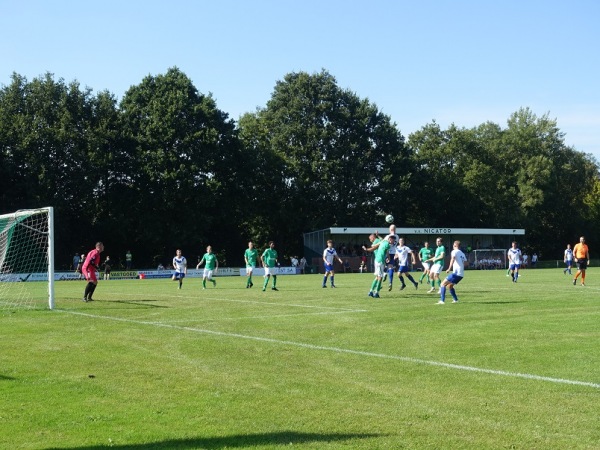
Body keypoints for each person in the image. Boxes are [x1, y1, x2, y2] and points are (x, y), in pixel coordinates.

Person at [438, 240, 467, 304]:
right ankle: (455, 300)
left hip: (456, 273)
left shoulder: (454, 251)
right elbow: (465, 263)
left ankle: (442, 301)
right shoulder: (462, 253)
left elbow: (452, 259)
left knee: (442, 284)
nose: (453, 246)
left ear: (455, 245)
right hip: (461, 274)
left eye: (453, 245)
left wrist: (449, 268)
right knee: (450, 286)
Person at [381, 224, 399, 288]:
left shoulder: (387, 236)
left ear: (390, 229)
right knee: (390, 267)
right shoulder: (397, 236)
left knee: (382, 266)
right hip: (393, 253)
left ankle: (384, 274)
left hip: (386, 253)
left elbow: (382, 242)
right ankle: (390, 282)